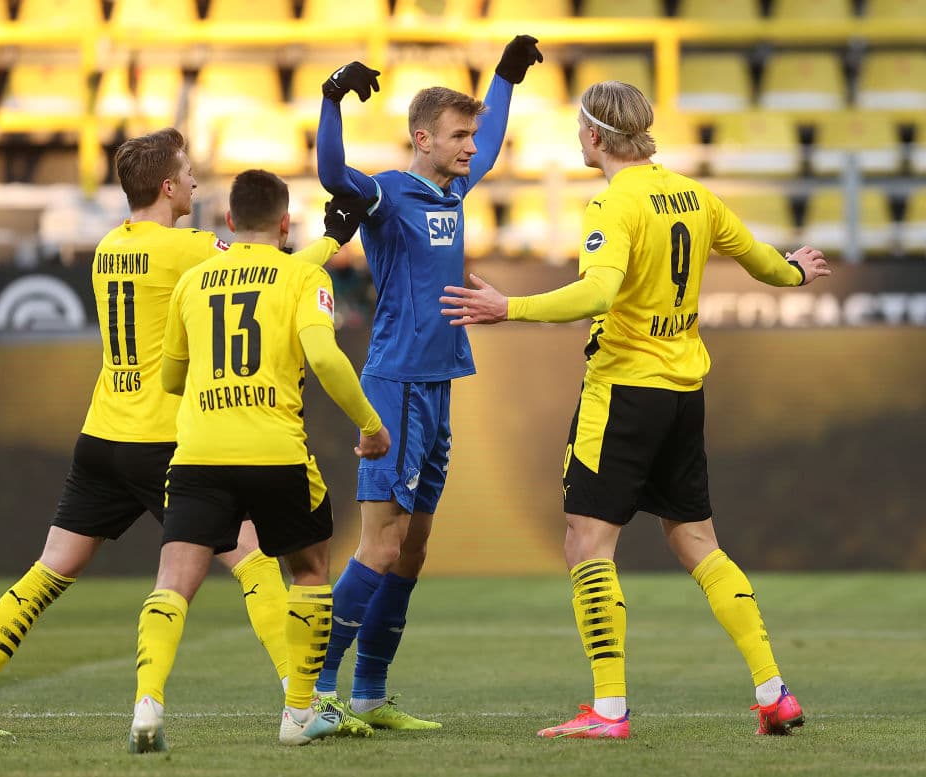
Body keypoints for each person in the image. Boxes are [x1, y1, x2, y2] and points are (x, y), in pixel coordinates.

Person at [0, 128, 365, 737]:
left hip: (102, 435)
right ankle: (306, 705)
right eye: (187, 173)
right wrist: (335, 238)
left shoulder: (108, 247)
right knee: (258, 565)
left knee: (49, 571)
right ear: (167, 186)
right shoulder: (186, 250)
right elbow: (272, 269)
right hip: (167, 441)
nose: (194, 182)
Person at [440, 80, 830, 740]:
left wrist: (511, 308)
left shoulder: (614, 204)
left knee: (586, 541)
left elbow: (596, 292)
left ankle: (609, 708)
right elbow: (761, 259)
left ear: (593, 135)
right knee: (696, 539)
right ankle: (774, 691)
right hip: (683, 392)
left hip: (623, 391)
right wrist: (794, 271)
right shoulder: (693, 196)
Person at [311, 36, 544, 730]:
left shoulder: (454, 188)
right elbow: (331, 174)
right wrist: (330, 99)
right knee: (380, 544)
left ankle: (371, 693)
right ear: (423, 139)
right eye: (458, 136)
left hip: (438, 383)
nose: (472, 147)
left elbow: (497, 140)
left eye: (471, 134)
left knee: (413, 548)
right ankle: (316, 689)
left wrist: (503, 78)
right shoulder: (388, 193)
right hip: (397, 383)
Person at [128, 169, 389, 751]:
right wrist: (371, 425)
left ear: (227, 222)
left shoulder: (193, 282)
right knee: (311, 570)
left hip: (199, 453)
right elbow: (324, 357)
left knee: (173, 581)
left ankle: (147, 705)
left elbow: (170, 377)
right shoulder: (302, 276)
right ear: (285, 222)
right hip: (275, 452)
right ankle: (298, 713)